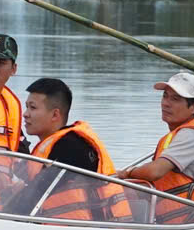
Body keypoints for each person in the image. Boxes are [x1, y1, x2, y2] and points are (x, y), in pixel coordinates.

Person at [116, 71, 194, 223]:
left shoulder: (190, 135)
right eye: (165, 96)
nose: (166, 103)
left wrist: (128, 173)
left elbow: (154, 172)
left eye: (175, 99)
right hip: (182, 225)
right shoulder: (179, 134)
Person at [22, 77, 131, 221]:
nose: (25, 114)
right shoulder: (58, 145)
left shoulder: (71, 148)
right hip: (66, 229)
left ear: (55, 114)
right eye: (26, 107)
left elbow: (34, 194)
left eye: (33, 108)